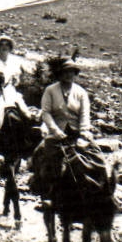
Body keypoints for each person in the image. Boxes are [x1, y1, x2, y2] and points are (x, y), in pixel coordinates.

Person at [30, 57, 91, 197]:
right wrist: (55, 131)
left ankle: (98, 191)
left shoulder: (81, 92)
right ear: (60, 73)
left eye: (71, 72)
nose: (68, 75)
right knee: (46, 158)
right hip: (57, 132)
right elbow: (46, 113)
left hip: (77, 133)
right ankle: (46, 193)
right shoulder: (50, 90)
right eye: (65, 72)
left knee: (95, 158)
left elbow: (84, 114)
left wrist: (84, 132)